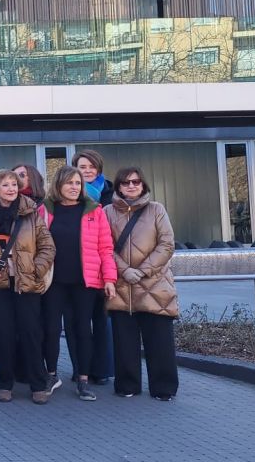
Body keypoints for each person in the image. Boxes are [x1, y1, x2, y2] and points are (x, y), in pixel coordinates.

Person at [0, 170, 56, 404]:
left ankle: (38, 384)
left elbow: (48, 246)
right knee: (4, 334)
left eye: (14, 184)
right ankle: (5, 384)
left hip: (26, 280)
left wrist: (35, 269)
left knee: (31, 332)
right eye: (5, 185)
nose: (11, 188)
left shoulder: (31, 212)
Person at [41, 166, 117, 402]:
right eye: (69, 183)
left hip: (85, 281)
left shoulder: (94, 211)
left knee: (83, 329)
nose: (74, 187)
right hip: (53, 280)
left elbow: (106, 248)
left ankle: (83, 379)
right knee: (51, 329)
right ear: (59, 185)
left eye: (78, 183)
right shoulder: (44, 210)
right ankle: (52, 375)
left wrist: (110, 279)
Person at [105, 167, 179, 401]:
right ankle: (127, 385)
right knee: (124, 341)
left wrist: (142, 270)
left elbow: (166, 244)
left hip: (155, 283)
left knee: (159, 340)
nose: (131, 186)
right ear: (118, 186)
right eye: (125, 182)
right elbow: (104, 246)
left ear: (143, 184)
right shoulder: (107, 212)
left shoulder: (156, 209)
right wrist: (125, 270)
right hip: (121, 285)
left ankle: (163, 388)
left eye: (136, 182)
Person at [72, 148, 116, 385]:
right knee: (78, 323)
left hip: (104, 266)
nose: (87, 171)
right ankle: (81, 369)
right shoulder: (68, 195)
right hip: (78, 269)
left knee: (102, 322)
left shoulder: (111, 194)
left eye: (91, 167)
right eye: (82, 167)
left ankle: (102, 370)